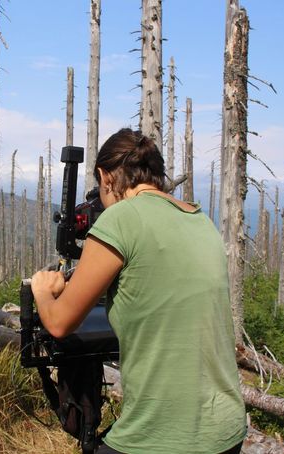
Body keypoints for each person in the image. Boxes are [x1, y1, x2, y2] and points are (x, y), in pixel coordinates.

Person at [31, 128, 247, 454]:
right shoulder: (200, 220)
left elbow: (60, 323)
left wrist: (43, 290)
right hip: (227, 430)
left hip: (163, 438)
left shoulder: (121, 219)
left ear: (106, 177)